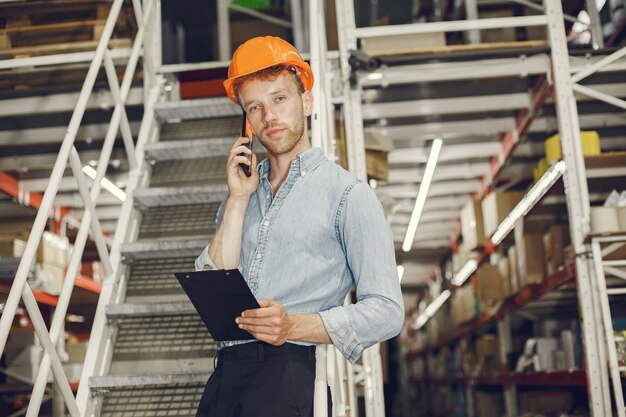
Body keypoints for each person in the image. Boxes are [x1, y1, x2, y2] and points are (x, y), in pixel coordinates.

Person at [194, 36, 403, 417]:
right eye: (254, 107)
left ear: (306, 101)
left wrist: (293, 325)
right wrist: (238, 200)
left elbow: (387, 310)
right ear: (246, 121)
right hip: (225, 376)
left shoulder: (348, 195)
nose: (268, 116)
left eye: (279, 99)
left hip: (288, 375)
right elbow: (213, 279)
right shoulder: (240, 195)